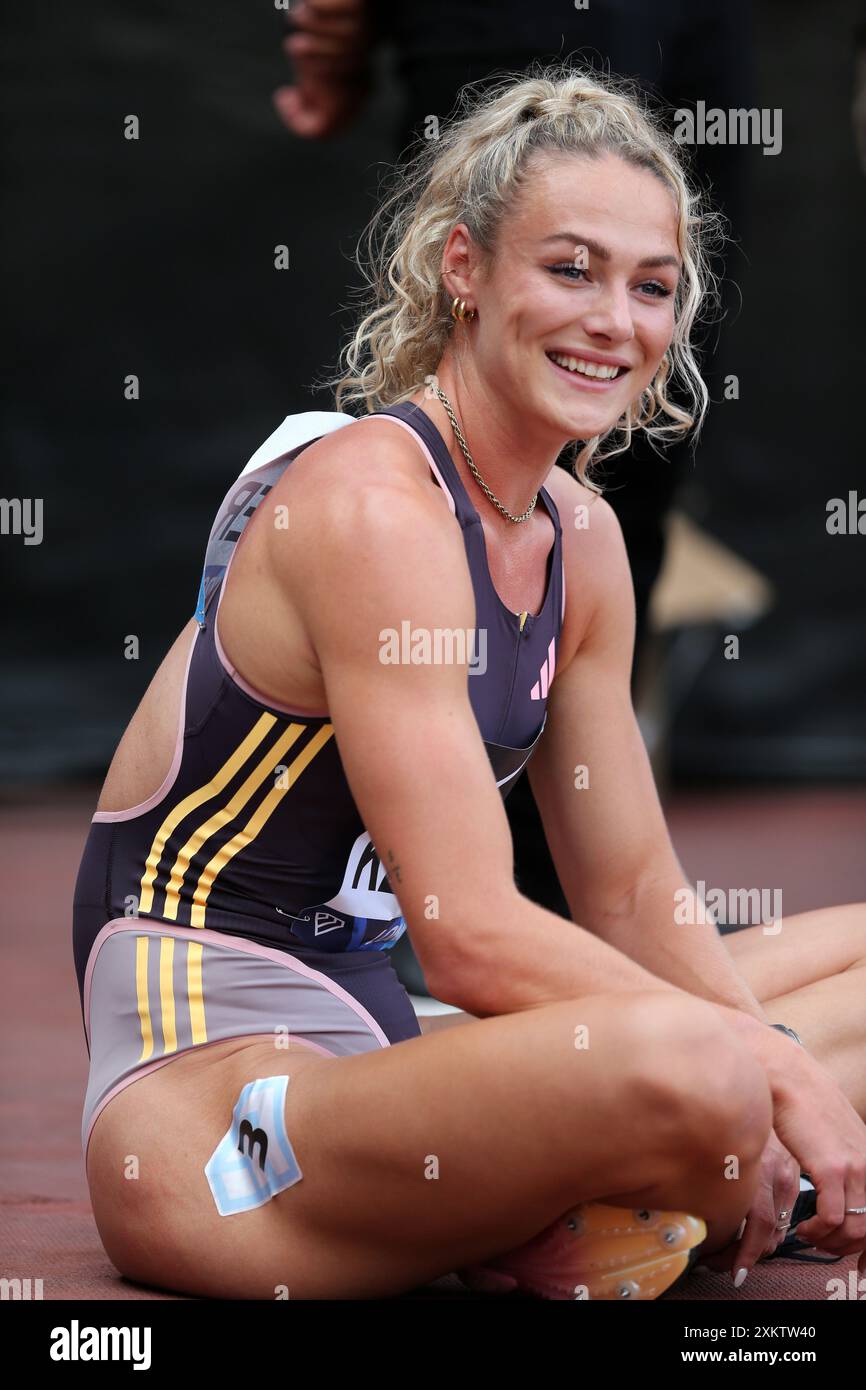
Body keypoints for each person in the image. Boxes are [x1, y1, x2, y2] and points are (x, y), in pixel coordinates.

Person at [73, 66, 866, 1301]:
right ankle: (595, 1199)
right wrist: (772, 1067)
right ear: (462, 269)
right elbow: (471, 936)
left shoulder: (580, 537)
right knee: (707, 1075)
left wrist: (771, 1064)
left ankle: (566, 1209)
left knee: (780, 1017)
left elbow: (630, 895)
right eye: (569, 269)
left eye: (649, 286)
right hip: (215, 1114)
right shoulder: (372, 509)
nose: (614, 319)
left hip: (395, 1055)